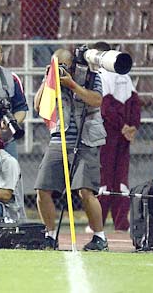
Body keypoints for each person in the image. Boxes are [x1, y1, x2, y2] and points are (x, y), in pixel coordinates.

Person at [34, 48, 108, 251]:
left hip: (87, 140)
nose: (61, 71)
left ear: (73, 64)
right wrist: (48, 79)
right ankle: (50, 235)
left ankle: (100, 237)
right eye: (57, 67)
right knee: (42, 189)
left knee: (85, 191)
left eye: (64, 67)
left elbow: (97, 100)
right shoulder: (49, 78)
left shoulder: (91, 77)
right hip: (59, 138)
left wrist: (72, 85)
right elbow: (39, 107)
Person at [94, 41, 141, 232]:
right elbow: (134, 103)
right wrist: (132, 127)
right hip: (123, 134)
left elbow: (105, 107)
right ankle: (121, 222)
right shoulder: (124, 74)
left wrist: (122, 127)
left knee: (104, 177)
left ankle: (99, 221)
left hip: (108, 132)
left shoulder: (101, 75)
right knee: (121, 177)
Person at [18, 0, 61, 68]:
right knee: (45, 58)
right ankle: (45, 78)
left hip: (51, 35)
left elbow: (54, 0)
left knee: (62, 58)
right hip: (33, 33)